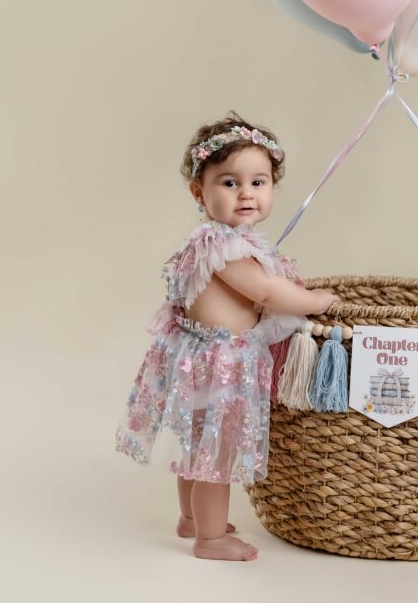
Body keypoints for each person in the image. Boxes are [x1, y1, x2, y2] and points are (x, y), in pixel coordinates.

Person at [115, 111, 340, 561]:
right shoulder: (224, 245)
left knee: (199, 444)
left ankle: (191, 519)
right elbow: (267, 292)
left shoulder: (222, 241)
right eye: (230, 183)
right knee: (216, 455)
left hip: (199, 353)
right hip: (222, 361)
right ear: (200, 192)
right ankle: (211, 539)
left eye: (258, 182)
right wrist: (314, 300)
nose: (246, 194)